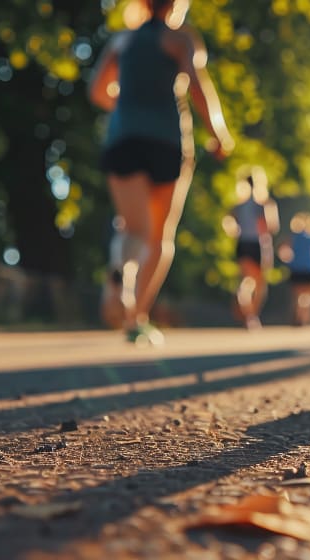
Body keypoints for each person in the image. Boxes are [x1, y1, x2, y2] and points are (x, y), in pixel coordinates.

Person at [89, 0, 234, 345]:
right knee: (158, 237)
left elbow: (96, 90)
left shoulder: (122, 40)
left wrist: (125, 107)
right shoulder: (180, 39)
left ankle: (118, 270)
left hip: (123, 138)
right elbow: (198, 87)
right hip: (166, 141)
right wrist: (219, 134)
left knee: (132, 227)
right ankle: (136, 318)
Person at [224, 166, 278, 330]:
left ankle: (245, 307)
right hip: (257, 245)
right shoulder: (263, 205)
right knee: (260, 284)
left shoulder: (239, 205)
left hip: (242, 243)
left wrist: (236, 231)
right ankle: (252, 315)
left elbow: (229, 222)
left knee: (245, 281)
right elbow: (270, 228)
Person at [279, 211, 310, 326]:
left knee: (297, 296)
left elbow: (283, 250)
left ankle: (298, 316)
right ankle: (306, 316)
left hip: (296, 269)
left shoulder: (292, 237)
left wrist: (288, 260)